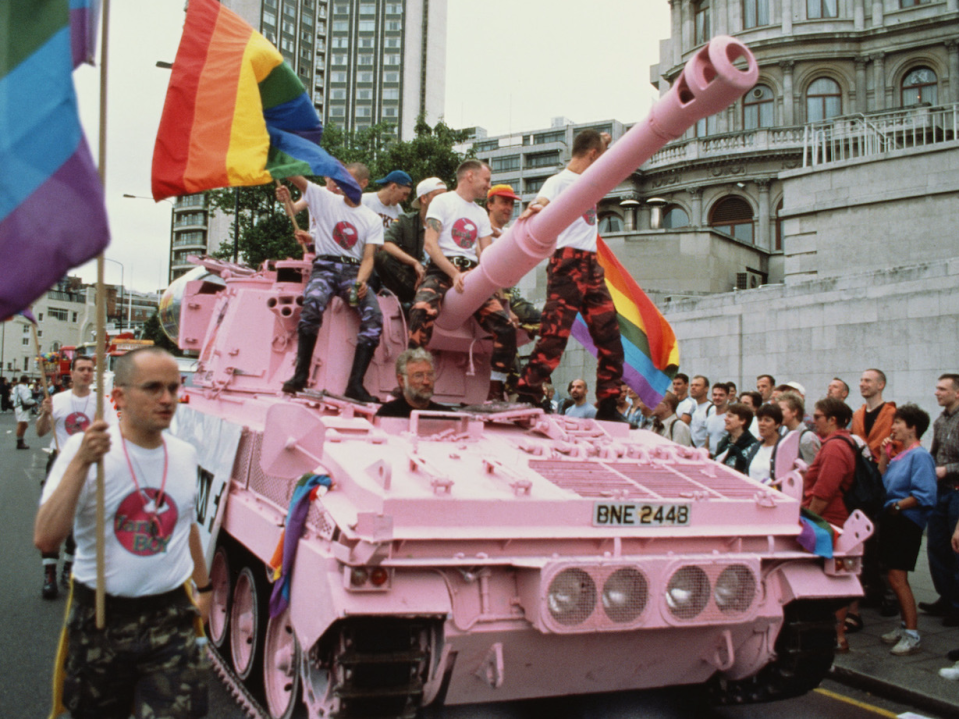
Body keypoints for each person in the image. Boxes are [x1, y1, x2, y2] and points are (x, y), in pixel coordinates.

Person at [34, 347, 210, 719]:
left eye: (173, 388)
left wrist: (205, 588)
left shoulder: (184, 454)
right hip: (101, 617)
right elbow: (47, 538)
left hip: (170, 616)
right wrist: (81, 462)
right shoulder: (87, 453)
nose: (167, 399)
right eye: (152, 388)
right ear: (119, 396)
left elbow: (185, 522)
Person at [514, 130, 624, 421]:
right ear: (592, 155)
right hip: (567, 262)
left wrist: (605, 142)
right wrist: (535, 208)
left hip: (591, 265)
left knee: (611, 339)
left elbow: (611, 156)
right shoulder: (559, 181)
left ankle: (610, 406)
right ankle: (527, 394)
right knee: (554, 336)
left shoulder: (591, 180)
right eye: (600, 154)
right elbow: (542, 204)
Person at [408, 160, 516, 402]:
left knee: (506, 327)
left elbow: (487, 255)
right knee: (420, 311)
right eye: (486, 180)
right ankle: (411, 377)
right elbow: (430, 244)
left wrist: (492, 284)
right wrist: (454, 274)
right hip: (442, 270)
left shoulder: (480, 214)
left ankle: (496, 390)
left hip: (472, 275)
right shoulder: (442, 202)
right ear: (469, 176)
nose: (488, 186)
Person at [276, 167, 385, 402]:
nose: (344, 184)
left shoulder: (372, 218)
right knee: (313, 303)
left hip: (353, 272)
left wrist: (361, 282)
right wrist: (278, 153)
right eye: (342, 179)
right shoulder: (326, 198)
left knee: (374, 317)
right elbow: (296, 177)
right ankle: (300, 375)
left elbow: (368, 257)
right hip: (324, 266)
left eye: (351, 180)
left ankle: (355, 384)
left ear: (364, 183)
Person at [35, 356, 119, 599]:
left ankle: (69, 568)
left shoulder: (102, 403)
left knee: (80, 515)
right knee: (53, 512)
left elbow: (113, 433)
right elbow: (41, 432)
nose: (85, 373)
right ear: (71, 374)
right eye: (80, 369)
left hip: (88, 464)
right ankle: (49, 573)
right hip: (58, 460)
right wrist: (43, 414)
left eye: (89, 370)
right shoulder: (57, 401)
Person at [873, 404, 938, 656]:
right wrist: (883, 457)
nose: (893, 427)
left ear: (913, 428)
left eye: (898, 423)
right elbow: (882, 483)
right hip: (894, 520)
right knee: (894, 577)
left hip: (905, 523)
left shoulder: (920, 456)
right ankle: (904, 627)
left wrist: (897, 507)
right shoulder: (901, 455)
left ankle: (912, 634)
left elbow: (925, 494)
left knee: (898, 579)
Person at [802, 396, 856, 652]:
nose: (814, 421)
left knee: (833, 577)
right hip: (829, 519)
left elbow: (824, 491)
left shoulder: (835, 447)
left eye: (819, 416)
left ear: (833, 419)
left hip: (829, 521)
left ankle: (838, 636)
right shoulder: (837, 443)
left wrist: (808, 522)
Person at [920, 373, 959, 627]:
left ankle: (957, 606)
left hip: (956, 489)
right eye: (936, 388)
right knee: (937, 547)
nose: (936, 392)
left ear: (957, 393)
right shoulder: (940, 421)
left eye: (942, 389)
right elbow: (934, 453)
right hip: (940, 491)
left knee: (955, 550)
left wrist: (948, 470)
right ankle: (946, 597)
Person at [374, 177, 447, 305]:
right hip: (414, 278)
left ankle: (420, 298)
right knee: (381, 257)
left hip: (442, 277)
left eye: (446, 198)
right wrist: (414, 263)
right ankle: (412, 298)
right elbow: (385, 243)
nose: (444, 201)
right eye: (439, 196)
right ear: (424, 199)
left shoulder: (451, 223)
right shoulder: (406, 221)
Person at [376, 348, 447, 418]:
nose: (426, 382)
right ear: (401, 380)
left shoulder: (446, 415)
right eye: (418, 376)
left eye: (430, 375)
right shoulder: (388, 414)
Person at [852, 368, 898, 459]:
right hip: (860, 469)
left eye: (867, 381)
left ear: (880, 385)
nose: (861, 384)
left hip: (884, 468)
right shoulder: (856, 415)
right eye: (861, 380)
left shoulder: (892, 413)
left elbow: (899, 445)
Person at [778, 391, 821, 466]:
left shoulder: (807, 438)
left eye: (781, 410)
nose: (777, 413)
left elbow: (813, 469)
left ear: (794, 412)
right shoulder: (784, 434)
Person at [715, 403, 757, 474]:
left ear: (742, 421)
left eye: (730, 416)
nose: (725, 419)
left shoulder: (753, 446)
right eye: (726, 415)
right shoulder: (724, 442)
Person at [746, 403, 782, 485]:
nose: (762, 424)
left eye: (767, 420)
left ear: (777, 425)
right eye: (760, 419)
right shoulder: (755, 447)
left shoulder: (785, 448)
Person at [688, 375, 714, 449]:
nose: (693, 388)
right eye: (692, 385)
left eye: (697, 385)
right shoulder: (693, 406)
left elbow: (710, 435)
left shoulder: (711, 409)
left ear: (706, 389)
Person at [704, 382, 729, 456]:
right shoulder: (709, 418)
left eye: (721, 395)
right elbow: (707, 443)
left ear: (727, 397)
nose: (717, 398)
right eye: (715, 395)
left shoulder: (731, 418)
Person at [13, 374, 36, 449]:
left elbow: (11, 397)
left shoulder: (15, 387)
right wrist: (34, 402)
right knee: (22, 424)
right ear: (26, 381)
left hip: (17, 407)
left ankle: (20, 440)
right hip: (22, 407)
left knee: (24, 424)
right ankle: (19, 443)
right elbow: (27, 400)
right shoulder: (25, 389)